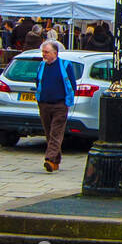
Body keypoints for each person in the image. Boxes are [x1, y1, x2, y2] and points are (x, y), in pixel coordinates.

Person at [34, 40, 79, 172]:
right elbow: (38, 82)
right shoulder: (42, 66)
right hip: (44, 104)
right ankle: (55, 161)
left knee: (55, 132)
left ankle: (49, 159)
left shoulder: (65, 65)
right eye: (43, 52)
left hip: (60, 104)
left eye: (46, 52)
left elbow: (72, 85)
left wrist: (66, 101)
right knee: (49, 133)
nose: (44, 54)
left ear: (55, 53)